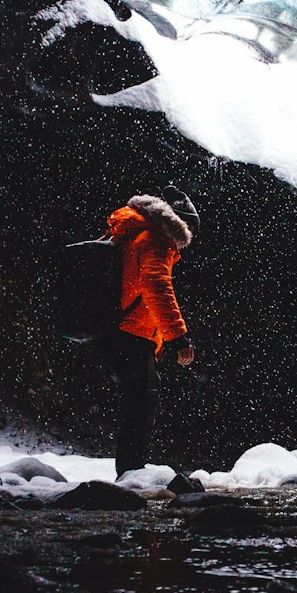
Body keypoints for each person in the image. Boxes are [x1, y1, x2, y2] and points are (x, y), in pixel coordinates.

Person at [98, 185, 199, 480]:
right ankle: (131, 474)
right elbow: (156, 286)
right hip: (132, 333)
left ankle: (129, 471)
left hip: (114, 329)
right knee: (140, 405)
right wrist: (179, 338)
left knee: (136, 402)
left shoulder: (128, 233)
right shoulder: (156, 240)